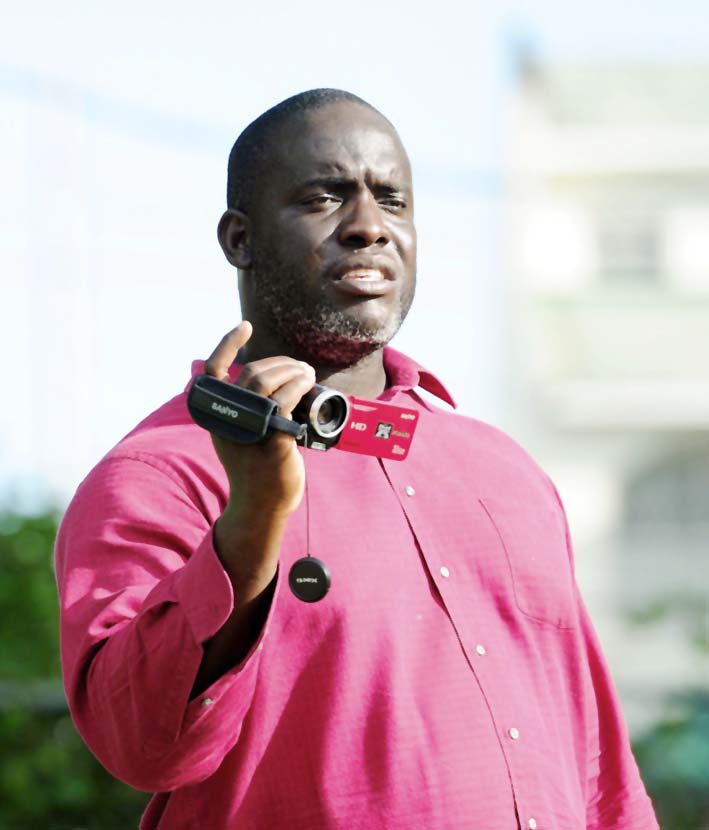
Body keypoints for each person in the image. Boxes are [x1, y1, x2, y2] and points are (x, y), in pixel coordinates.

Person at [55, 89, 658, 830]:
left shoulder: (504, 471)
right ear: (240, 240)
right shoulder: (158, 476)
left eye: (392, 201)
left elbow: (599, 769)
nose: (369, 226)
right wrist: (251, 522)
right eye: (324, 198)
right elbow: (141, 747)